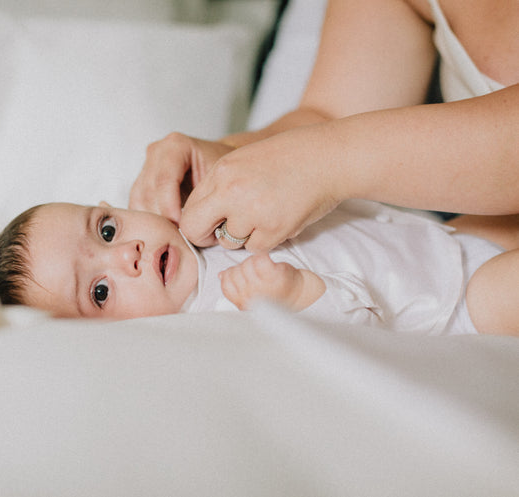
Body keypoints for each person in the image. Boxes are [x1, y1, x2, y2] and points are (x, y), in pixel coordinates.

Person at [129, 0, 519, 333]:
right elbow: (330, 115)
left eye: (107, 230)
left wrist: (323, 163)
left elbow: (328, 149)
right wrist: (229, 158)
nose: (125, 254)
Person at [0, 199, 519, 336]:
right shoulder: (217, 321)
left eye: (107, 230)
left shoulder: (207, 221)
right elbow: (359, 342)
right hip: (454, 308)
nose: (128, 255)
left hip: (445, 240)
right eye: (99, 292)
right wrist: (300, 297)